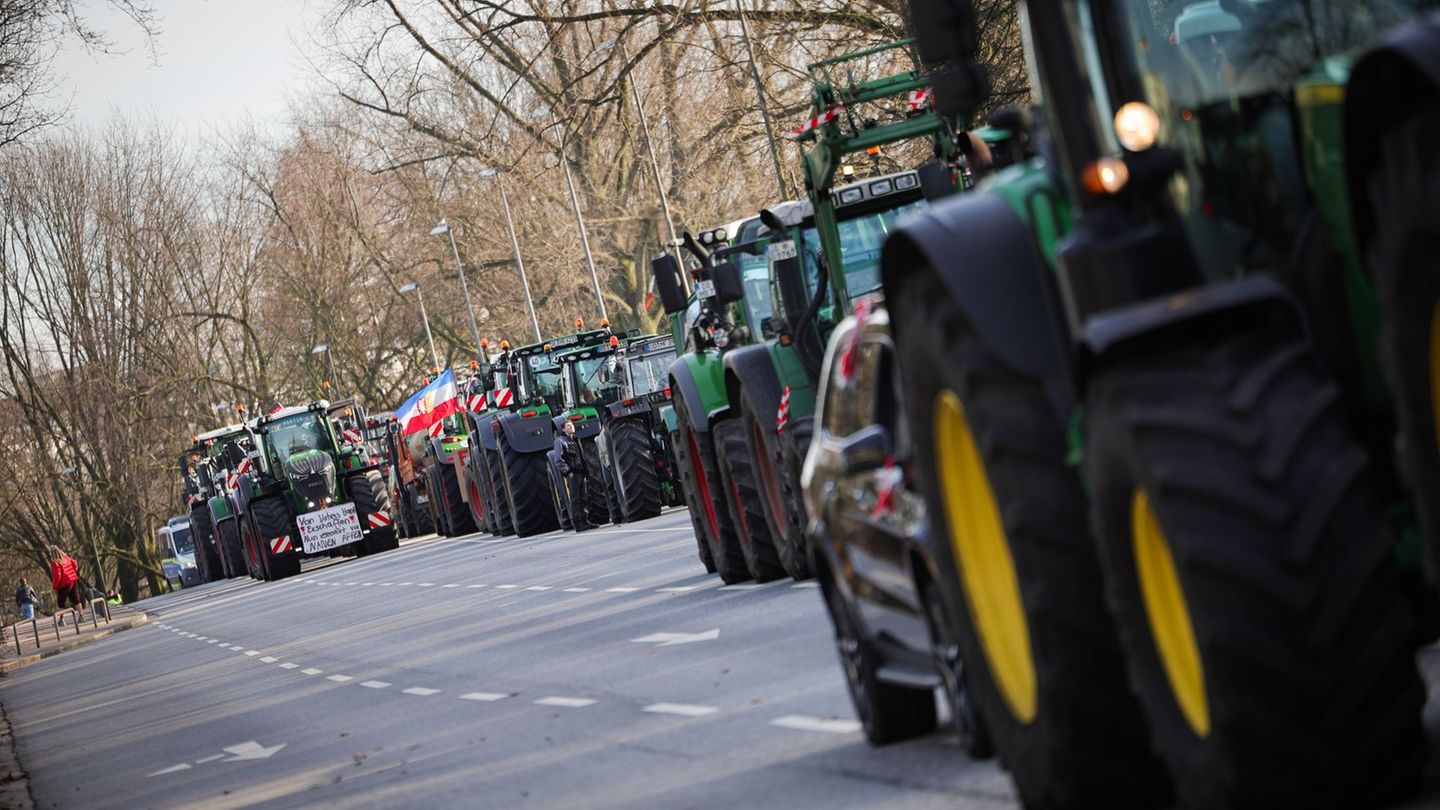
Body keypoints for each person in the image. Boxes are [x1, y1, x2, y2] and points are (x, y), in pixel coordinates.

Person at [555, 420, 592, 532]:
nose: (571, 427)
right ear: (563, 429)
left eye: (572, 425)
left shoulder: (575, 440)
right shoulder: (560, 441)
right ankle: (577, 523)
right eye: (568, 426)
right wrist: (568, 472)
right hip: (572, 474)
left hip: (581, 472)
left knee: (583, 497)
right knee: (575, 499)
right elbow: (558, 460)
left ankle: (585, 520)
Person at [48, 545, 84, 625]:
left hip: (64, 584)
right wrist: (72, 571)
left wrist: (55, 586)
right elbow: (75, 564)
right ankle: (81, 616)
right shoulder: (66, 558)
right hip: (73, 580)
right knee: (76, 599)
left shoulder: (55, 562)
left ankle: (61, 620)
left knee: (61, 603)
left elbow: (57, 575)